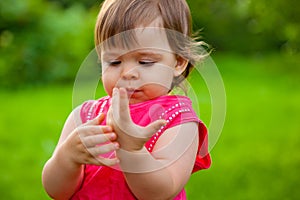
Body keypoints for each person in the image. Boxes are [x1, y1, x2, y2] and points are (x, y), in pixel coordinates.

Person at [42, 0, 211, 199]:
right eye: (114, 61)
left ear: (178, 63)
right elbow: (57, 192)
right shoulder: (86, 117)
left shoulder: (177, 121)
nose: (128, 73)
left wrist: (132, 149)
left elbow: (160, 193)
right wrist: (66, 158)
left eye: (145, 62)